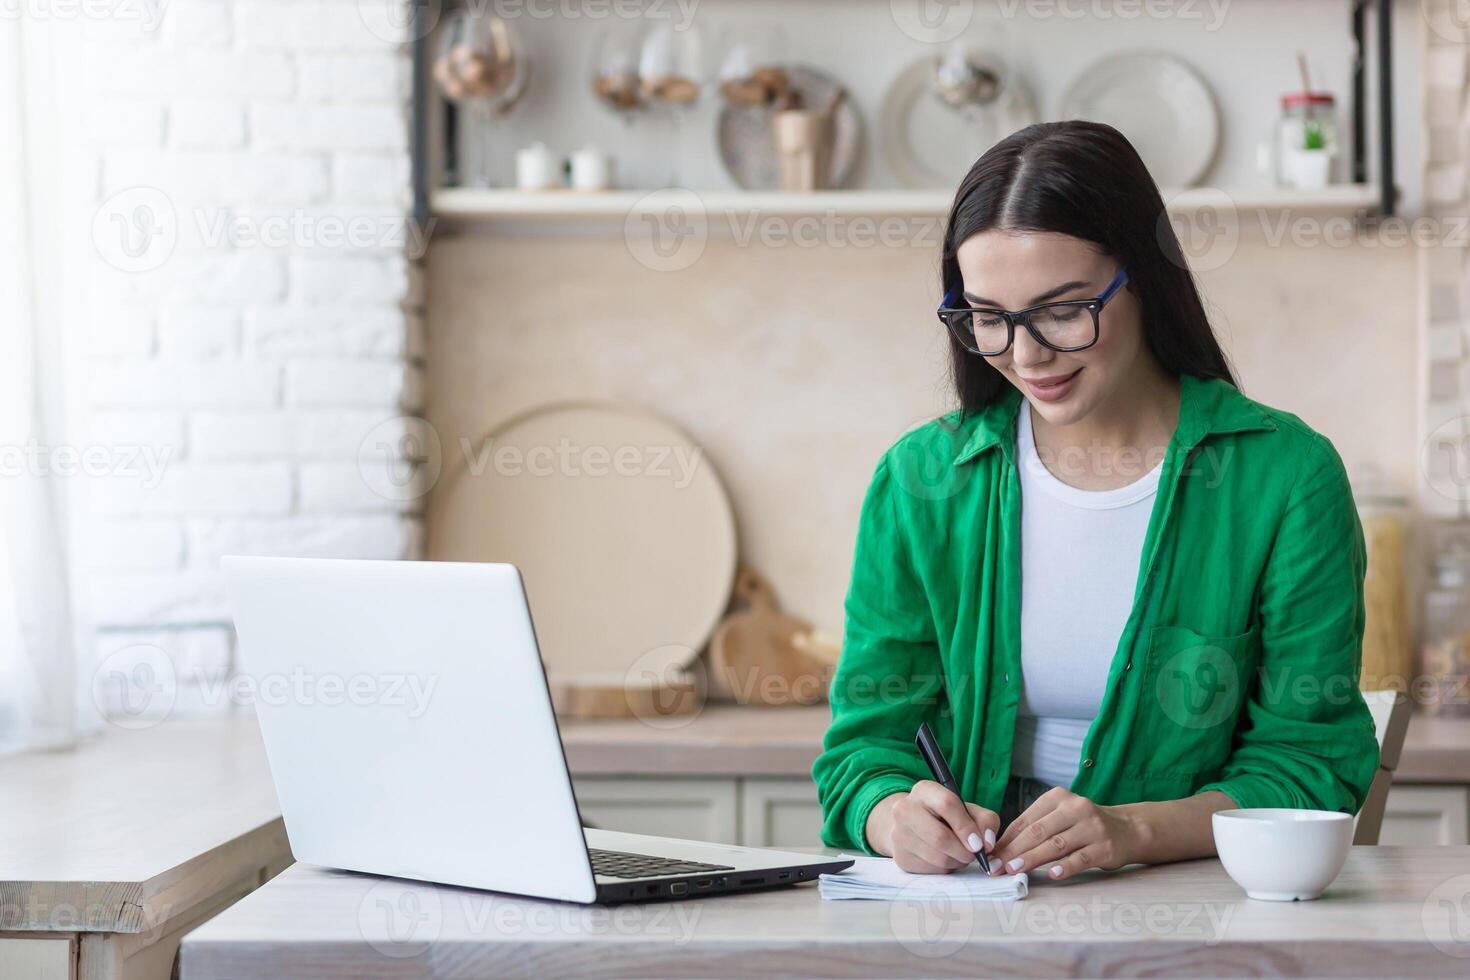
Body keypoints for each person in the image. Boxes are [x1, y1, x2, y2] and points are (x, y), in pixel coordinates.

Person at [812, 121, 1379, 880]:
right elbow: (861, 752)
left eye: (1062, 310)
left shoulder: (1283, 476)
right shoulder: (921, 478)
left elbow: (1313, 766)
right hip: (972, 900)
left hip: (1187, 889)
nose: (1026, 354)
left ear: (1143, 276)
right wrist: (892, 818)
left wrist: (1134, 832)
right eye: (988, 317)